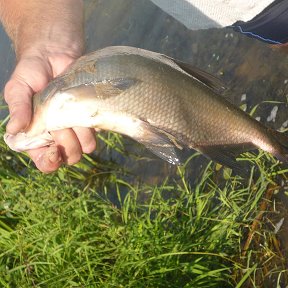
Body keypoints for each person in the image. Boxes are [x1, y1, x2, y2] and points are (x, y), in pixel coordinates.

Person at [0, 0, 287, 173]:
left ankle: (268, 139)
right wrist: (45, 43)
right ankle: (270, 140)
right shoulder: (66, 96)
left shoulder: (66, 95)